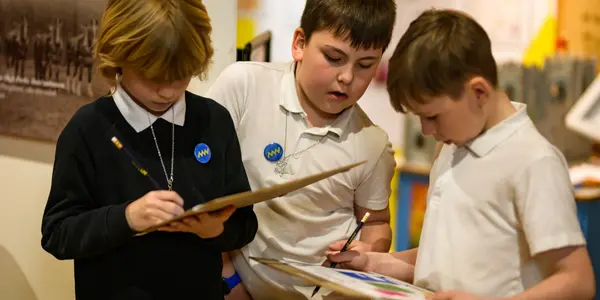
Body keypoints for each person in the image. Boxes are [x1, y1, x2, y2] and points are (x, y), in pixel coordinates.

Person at [327, 8, 596, 300]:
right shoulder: (451, 148)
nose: (426, 131)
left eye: (432, 116)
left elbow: (577, 281)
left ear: (478, 92)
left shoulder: (534, 161)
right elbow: (439, 260)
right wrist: (372, 263)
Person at [40, 1, 258, 299]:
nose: (167, 91)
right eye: (153, 77)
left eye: (181, 75)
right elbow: (57, 234)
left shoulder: (214, 121)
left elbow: (245, 225)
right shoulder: (87, 129)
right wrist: (126, 218)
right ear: (119, 56)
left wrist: (213, 230)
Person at [206, 0, 397, 299]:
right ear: (299, 43)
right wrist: (229, 280)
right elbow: (201, 188)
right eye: (334, 57)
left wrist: (370, 250)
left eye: (365, 65)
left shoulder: (372, 143)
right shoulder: (242, 87)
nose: (347, 77)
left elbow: (377, 222)